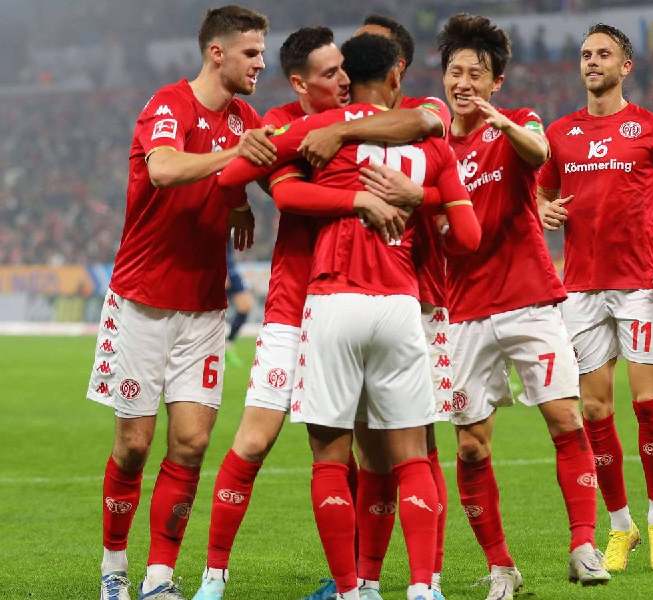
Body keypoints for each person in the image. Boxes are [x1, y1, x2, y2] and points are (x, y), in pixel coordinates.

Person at [192, 26, 448, 600]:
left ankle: (362, 581)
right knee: (256, 440)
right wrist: (352, 196)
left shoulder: (388, 114)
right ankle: (213, 576)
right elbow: (280, 193)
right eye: (330, 73)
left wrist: (342, 130)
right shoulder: (283, 124)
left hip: (357, 299)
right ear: (301, 83)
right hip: (296, 303)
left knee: (374, 453)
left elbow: (430, 120)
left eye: (345, 69)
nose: (343, 79)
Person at [273, 34, 481, 600]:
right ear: (395, 76)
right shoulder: (429, 140)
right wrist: (422, 199)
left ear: (347, 76)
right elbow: (468, 237)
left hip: (334, 300)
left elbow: (248, 178)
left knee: (331, 458)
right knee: (413, 455)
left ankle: (350, 590)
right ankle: (422, 587)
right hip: (401, 304)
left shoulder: (320, 132)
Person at [86, 6, 277, 600]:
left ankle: (160, 578)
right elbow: (164, 169)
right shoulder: (168, 104)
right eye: (251, 52)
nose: (261, 63)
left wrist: (243, 197)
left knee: (191, 443)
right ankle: (114, 568)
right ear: (217, 53)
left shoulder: (245, 117)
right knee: (134, 445)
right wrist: (236, 156)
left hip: (203, 307)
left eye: (263, 52)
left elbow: (262, 173)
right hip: (141, 300)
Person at [438, 14, 609, 600]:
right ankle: (501, 567)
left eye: (476, 73)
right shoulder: (432, 145)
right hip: (462, 310)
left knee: (566, 419)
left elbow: (539, 151)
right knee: (469, 445)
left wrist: (503, 123)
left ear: (496, 82)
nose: (464, 82)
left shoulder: (519, 122)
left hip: (529, 301)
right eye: (455, 71)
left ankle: (583, 546)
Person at [538, 23, 653, 574]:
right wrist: (541, 209)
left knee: (647, 402)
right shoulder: (560, 133)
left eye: (603, 54)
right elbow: (537, 194)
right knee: (593, 409)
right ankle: (620, 525)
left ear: (625, 66)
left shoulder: (652, 128)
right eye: (586, 54)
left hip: (639, 284)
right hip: (581, 288)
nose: (592, 61)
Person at [224, 242, 255, 367]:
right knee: (213, 312)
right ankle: (213, 350)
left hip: (230, 266)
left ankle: (228, 344)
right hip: (221, 266)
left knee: (246, 306)